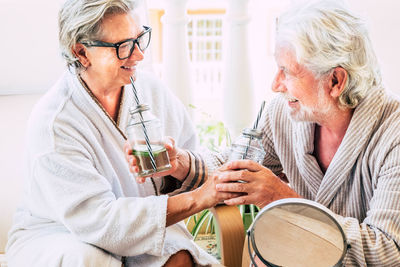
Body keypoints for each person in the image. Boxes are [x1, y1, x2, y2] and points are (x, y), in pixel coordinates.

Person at [128, 0, 400, 266]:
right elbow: (235, 166)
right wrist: (182, 164)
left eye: (287, 71)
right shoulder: (284, 115)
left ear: (335, 81)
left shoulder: (393, 136)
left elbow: (387, 250)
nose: (275, 85)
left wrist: (282, 199)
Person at [5, 0, 236, 266]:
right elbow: (99, 220)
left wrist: (175, 166)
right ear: (81, 52)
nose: (139, 55)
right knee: (89, 260)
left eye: (140, 38)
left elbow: (191, 155)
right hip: (60, 233)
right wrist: (196, 199)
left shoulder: (150, 90)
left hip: (137, 232)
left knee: (179, 257)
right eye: (123, 46)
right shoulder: (55, 124)